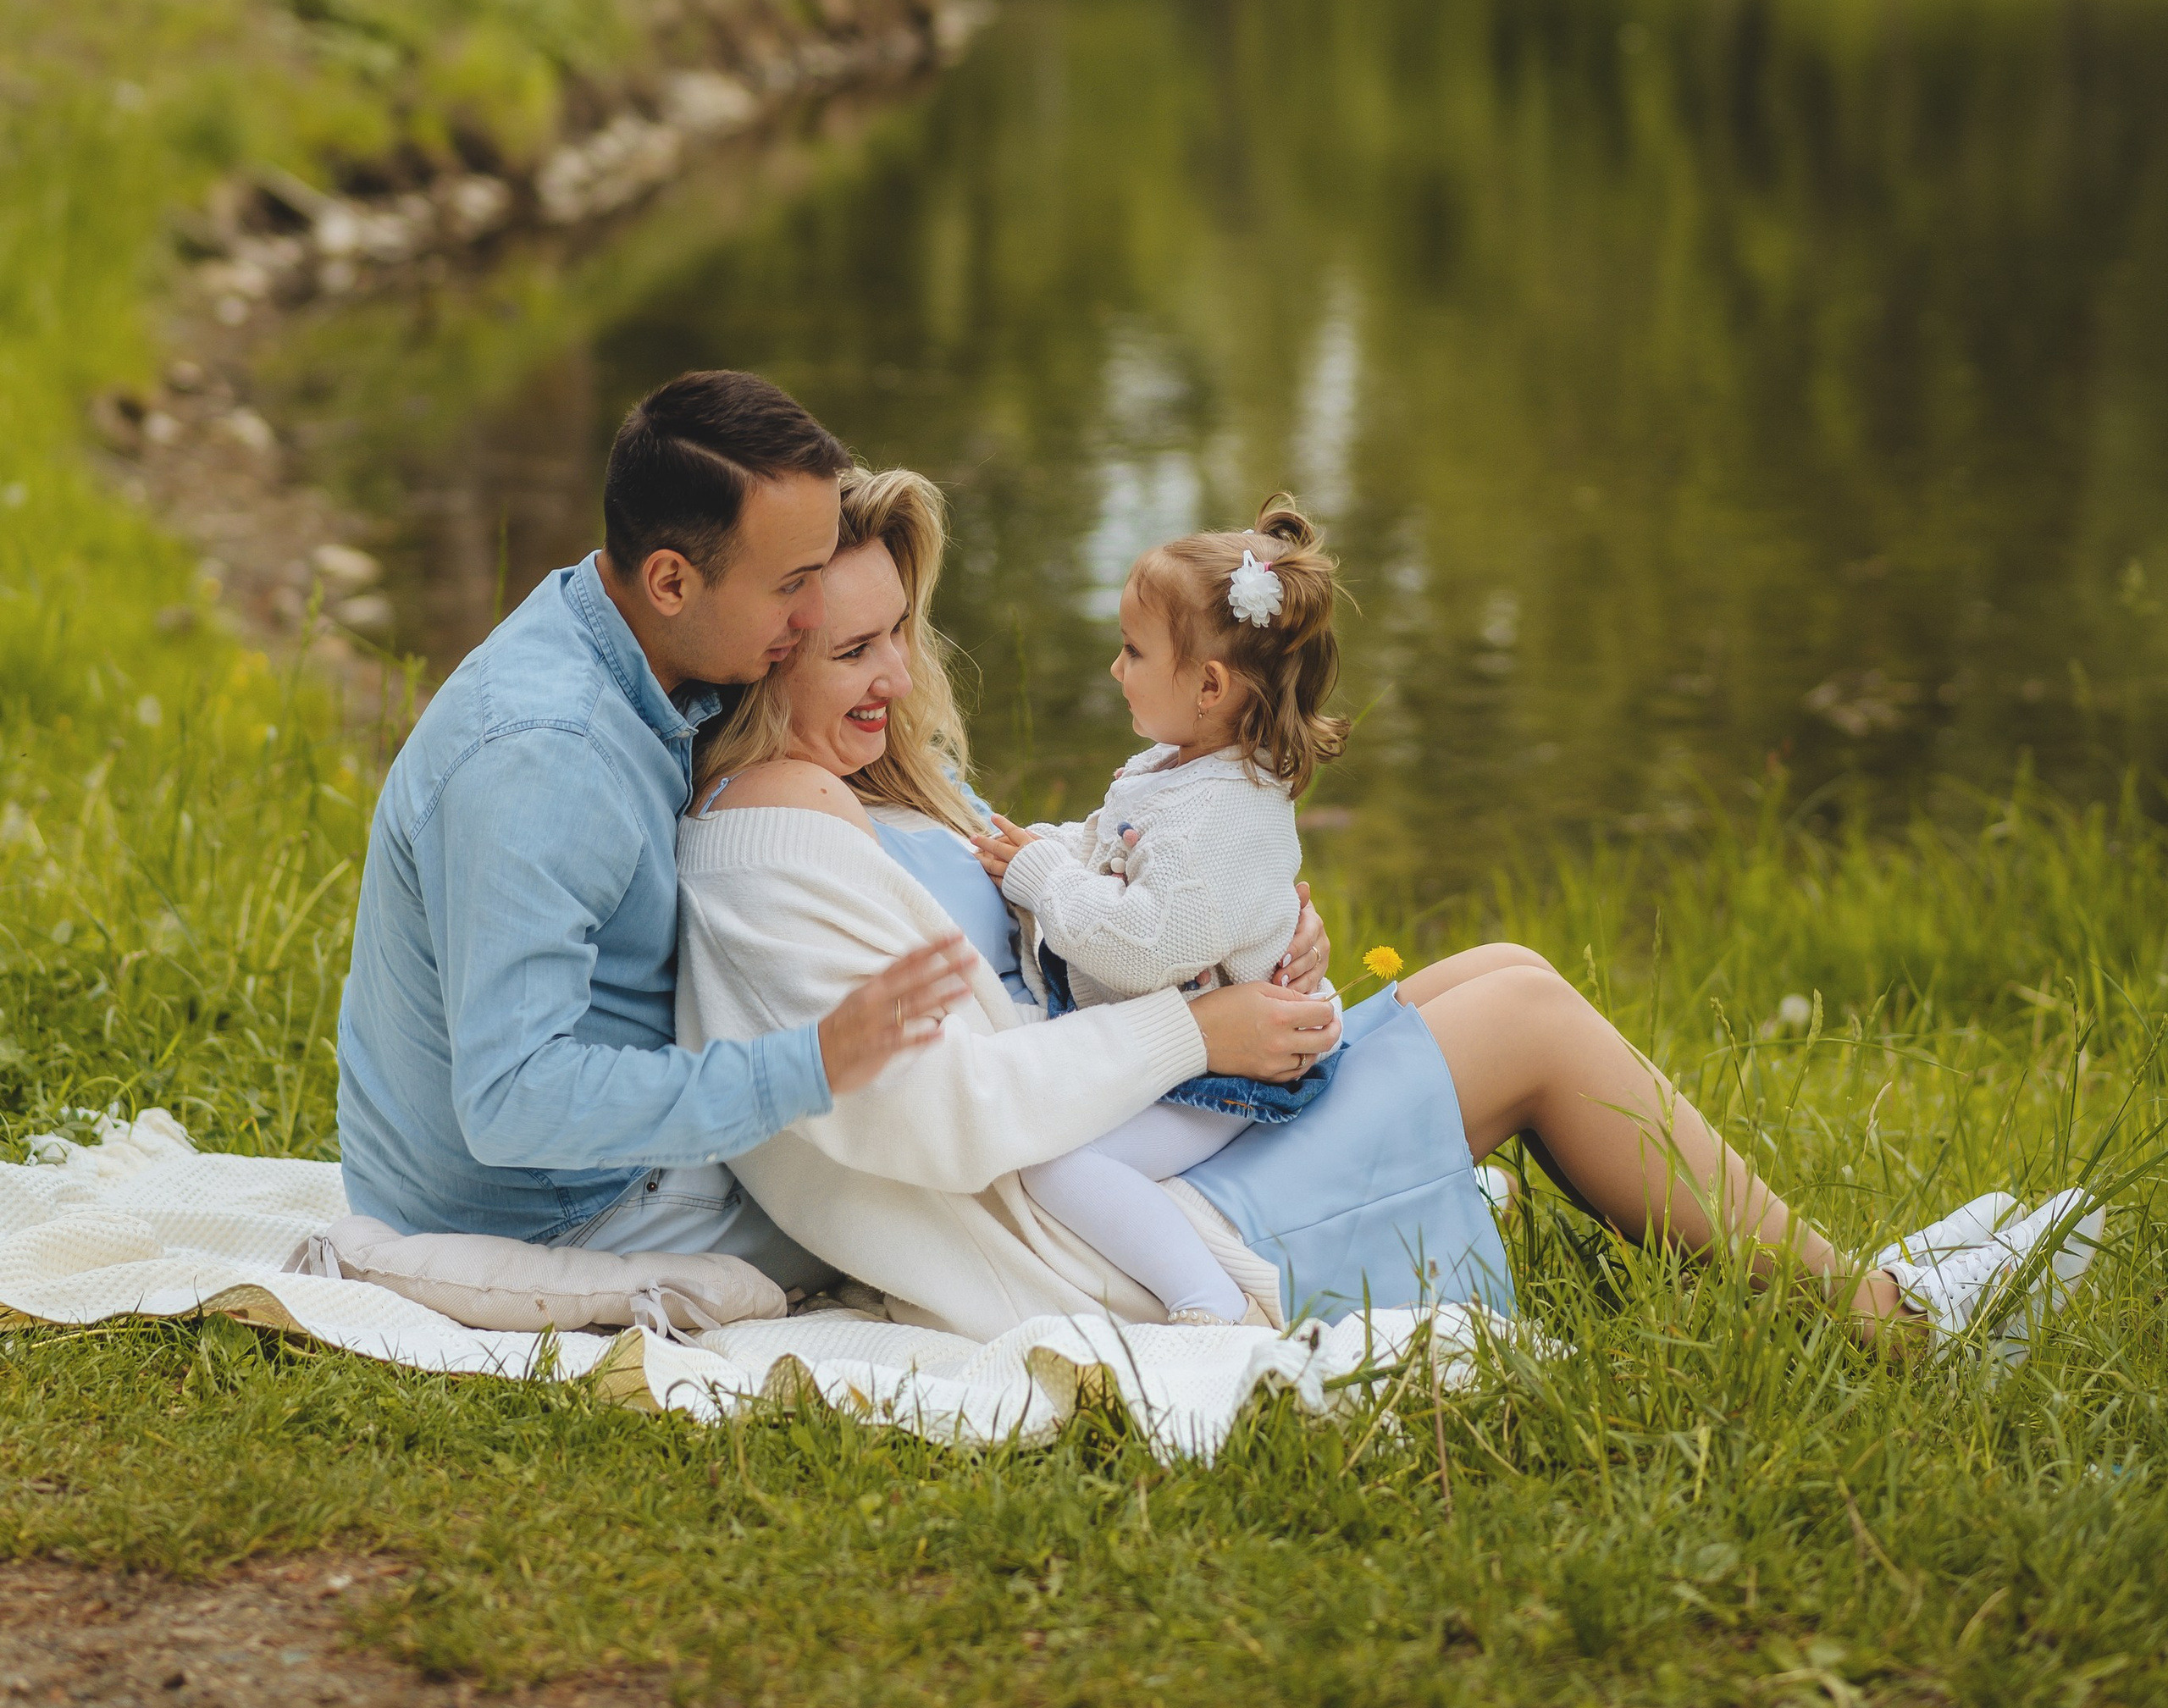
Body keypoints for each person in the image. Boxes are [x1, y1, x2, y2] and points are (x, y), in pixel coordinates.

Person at [676, 466, 2094, 1345]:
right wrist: (1202, 1030)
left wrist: (1244, 948)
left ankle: (1855, 1279)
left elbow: (1031, 977)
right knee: (1526, 1017)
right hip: (1103, 1243)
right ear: (765, 644)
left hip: (1130, 1149)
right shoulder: (773, 837)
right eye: (848, 647)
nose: (891, 678)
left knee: (1495, 966)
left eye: (895, 638)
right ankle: (1893, 1325)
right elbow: (941, 1112)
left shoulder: (859, 792)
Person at [335, 371, 971, 1282]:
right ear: (671, 578)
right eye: (794, 584)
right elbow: (514, 1101)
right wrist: (809, 1065)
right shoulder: (545, 762)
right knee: (969, 1204)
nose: (811, 616)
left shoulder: (637, 635)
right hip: (554, 1208)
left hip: (593, 1148)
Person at [969, 498, 1352, 1325]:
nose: (1115, 669)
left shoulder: (1219, 813)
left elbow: (1144, 944)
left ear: (1208, 686)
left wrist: (1041, 882)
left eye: (1133, 651)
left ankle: (1206, 1303)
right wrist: (1044, 847)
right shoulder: (1183, 765)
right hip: (1192, 1048)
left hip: (1221, 1070)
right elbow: (1118, 843)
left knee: (1057, 1165)